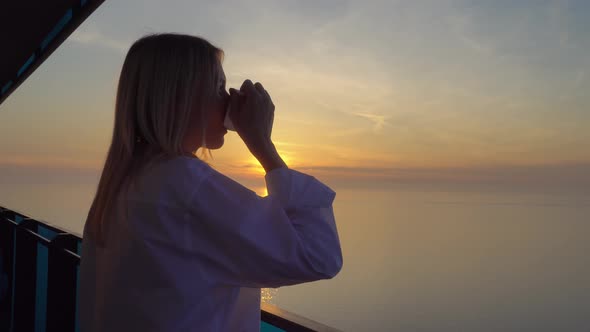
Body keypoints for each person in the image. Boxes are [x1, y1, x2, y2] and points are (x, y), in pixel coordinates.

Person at [78, 33, 343, 332]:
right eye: (218, 86)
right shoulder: (186, 188)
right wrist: (262, 145)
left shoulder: (127, 183)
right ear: (179, 98)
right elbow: (319, 255)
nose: (229, 98)